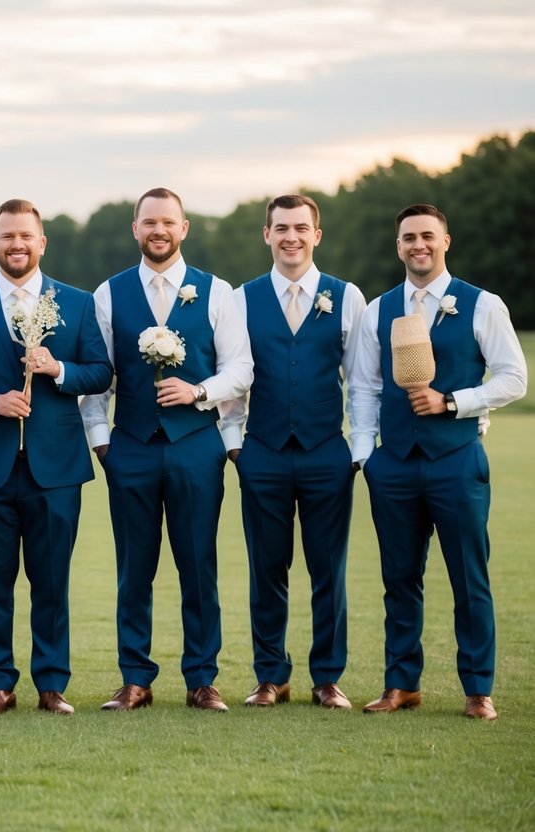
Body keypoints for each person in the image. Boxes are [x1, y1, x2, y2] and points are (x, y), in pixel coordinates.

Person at [348, 203, 527, 721]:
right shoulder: (378, 310)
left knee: (469, 577)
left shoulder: (481, 304)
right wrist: (367, 457)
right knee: (399, 578)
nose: (417, 245)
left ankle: (478, 688)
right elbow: (363, 386)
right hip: (395, 464)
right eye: (408, 237)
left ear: (445, 240)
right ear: (398, 245)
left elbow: (514, 378)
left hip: (457, 460)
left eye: (427, 236)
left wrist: (454, 402)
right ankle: (401, 683)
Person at [0, 198, 112, 716]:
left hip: (56, 467)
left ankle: (52, 685)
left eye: (26, 236)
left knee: (52, 581)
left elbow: (100, 372)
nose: (17, 244)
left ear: (42, 243)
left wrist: (58, 369)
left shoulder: (76, 303)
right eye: (7, 236)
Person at [82, 187, 253, 712]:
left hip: (196, 446)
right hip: (129, 448)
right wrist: (102, 442)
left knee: (198, 564)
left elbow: (241, 370)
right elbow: (98, 378)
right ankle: (136, 678)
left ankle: (202, 679)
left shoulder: (217, 292)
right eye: (148, 222)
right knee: (134, 567)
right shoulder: (108, 294)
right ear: (135, 230)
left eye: (168, 222)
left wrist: (199, 392)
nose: (158, 230)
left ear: (184, 229)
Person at [219, 195, 364, 710]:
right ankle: (270, 675)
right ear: (267, 234)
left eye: (301, 228)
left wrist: (357, 449)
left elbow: (362, 381)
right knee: (267, 568)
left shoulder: (347, 297)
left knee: (329, 570)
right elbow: (234, 378)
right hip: (262, 452)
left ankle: (327, 677)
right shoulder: (240, 299)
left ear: (316, 235)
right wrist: (235, 445)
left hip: (328, 453)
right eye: (281, 227)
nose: (291, 237)